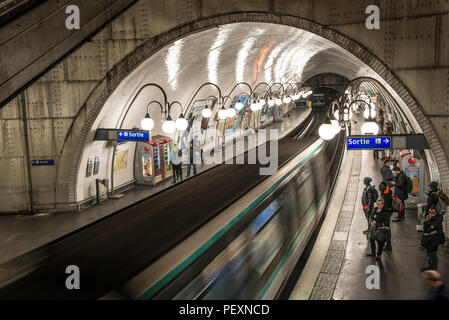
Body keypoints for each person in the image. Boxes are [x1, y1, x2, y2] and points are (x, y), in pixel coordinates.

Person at [421, 206, 444, 271]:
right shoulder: (430, 218)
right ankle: (430, 268)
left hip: (435, 239)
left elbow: (427, 230)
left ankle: (433, 270)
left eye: (432, 212)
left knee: (433, 254)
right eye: (430, 212)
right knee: (429, 253)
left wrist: (427, 223)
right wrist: (426, 221)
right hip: (430, 239)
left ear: (436, 213)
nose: (431, 214)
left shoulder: (437, 220)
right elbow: (425, 229)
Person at [379, 182, 393, 250]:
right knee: (385, 228)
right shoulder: (385, 193)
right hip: (386, 213)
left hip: (385, 214)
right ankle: (386, 243)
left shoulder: (386, 195)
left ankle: (388, 245)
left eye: (381, 186)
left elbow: (384, 206)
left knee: (386, 229)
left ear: (384, 187)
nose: (379, 187)